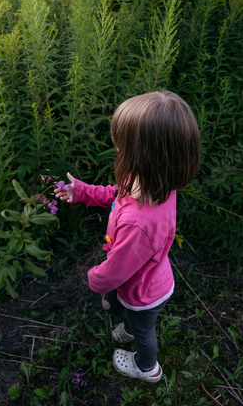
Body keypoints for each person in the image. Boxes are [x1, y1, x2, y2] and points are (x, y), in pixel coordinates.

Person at [54, 90, 200, 383]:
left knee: (144, 330)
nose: (118, 151)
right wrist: (83, 192)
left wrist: (95, 278)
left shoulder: (139, 224)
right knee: (126, 313)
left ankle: (147, 368)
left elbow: (117, 269)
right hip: (147, 275)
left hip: (144, 292)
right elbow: (116, 195)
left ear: (145, 156)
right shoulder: (154, 183)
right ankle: (132, 328)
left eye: (123, 146)